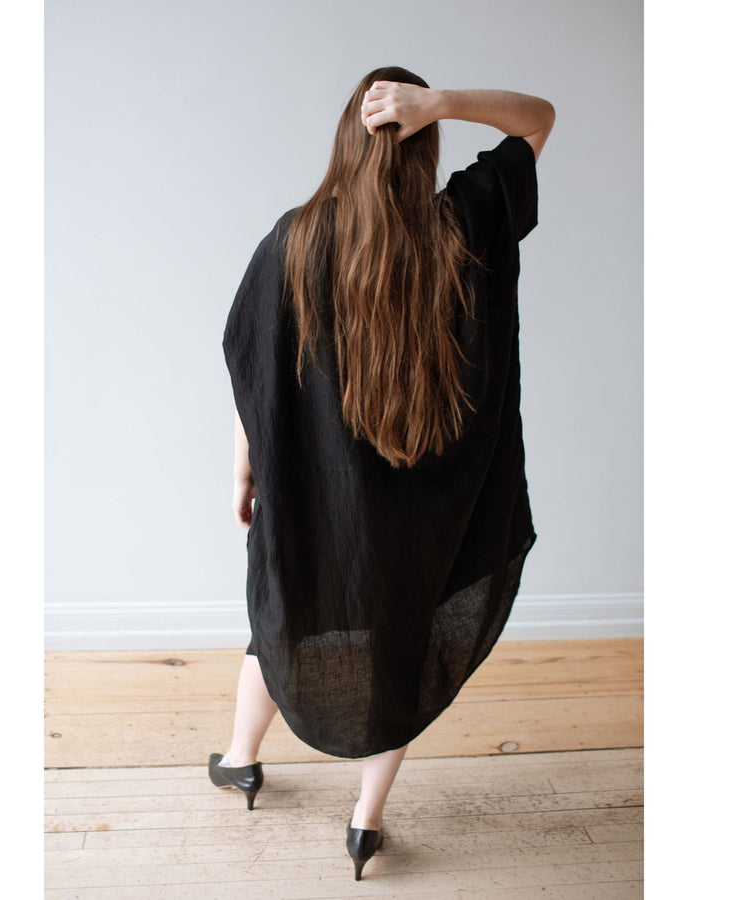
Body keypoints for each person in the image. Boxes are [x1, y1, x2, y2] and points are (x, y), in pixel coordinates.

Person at [212, 66, 555, 880]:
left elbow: (253, 373)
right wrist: (443, 104)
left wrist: (244, 473)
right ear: (426, 145)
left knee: (281, 621)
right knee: (399, 646)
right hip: (419, 520)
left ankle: (241, 761)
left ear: (346, 143)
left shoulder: (295, 240)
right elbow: (538, 118)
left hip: (321, 505)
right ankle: (364, 823)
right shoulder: (463, 225)